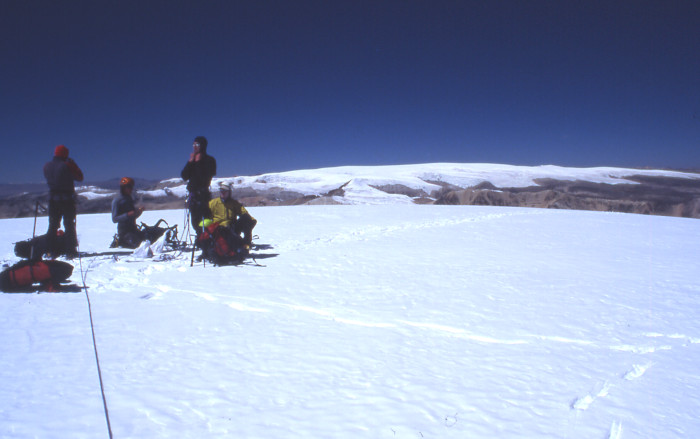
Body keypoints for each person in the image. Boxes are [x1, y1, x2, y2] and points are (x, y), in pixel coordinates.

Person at [43, 144, 83, 256]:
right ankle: (70, 251)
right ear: (65, 154)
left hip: (52, 200)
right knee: (69, 224)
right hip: (67, 200)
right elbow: (80, 177)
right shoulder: (67, 165)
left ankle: (50, 250)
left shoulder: (46, 166)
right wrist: (73, 164)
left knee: (52, 225)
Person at [181, 136, 216, 237]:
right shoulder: (192, 161)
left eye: (197, 144)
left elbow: (205, 177)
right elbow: (184, 176)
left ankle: (208, 239)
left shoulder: (210, 160)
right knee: (195, 221)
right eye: (193, 144)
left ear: (203, 146)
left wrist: (198, 162)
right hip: (193, 196)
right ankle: (201, 238)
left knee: (207, 220)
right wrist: (190, 162)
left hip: (204, 195)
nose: (194, 147)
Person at [207, 182, 257, 246]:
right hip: (218, 228)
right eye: (221, 190)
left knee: (246, 219)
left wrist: (251, 221)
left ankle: (246, 243)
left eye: (225, 191)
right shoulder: (213, 203)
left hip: (231, 228)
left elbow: (244, 213)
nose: (223, 192)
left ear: (229, 192)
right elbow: (206, 216)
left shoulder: (234, 204)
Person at [111, 177, 145, 248]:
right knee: (139, 245)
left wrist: (138, 212)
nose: (130, 189)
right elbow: (114, 219)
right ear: (123, 188)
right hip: (124, 233)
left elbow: (132, 216)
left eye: (131, 187)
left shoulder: (129, 199)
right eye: (128, 187)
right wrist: (127, 214)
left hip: (133, 230)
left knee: (147, 240)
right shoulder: (117, 201)